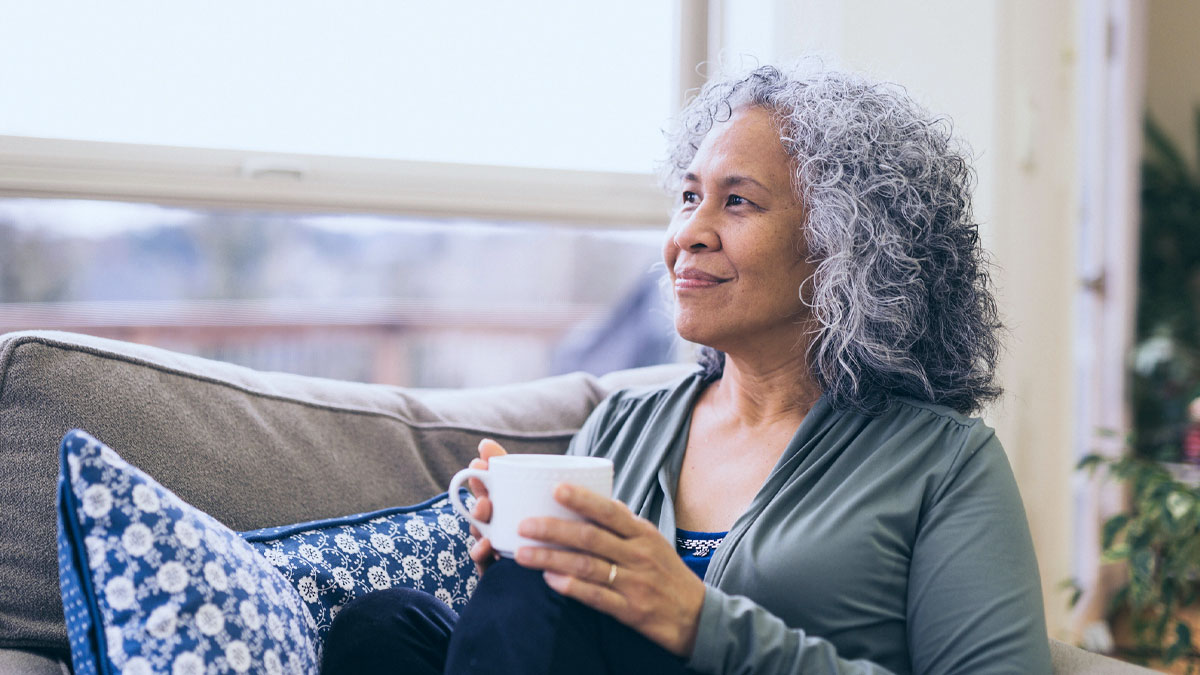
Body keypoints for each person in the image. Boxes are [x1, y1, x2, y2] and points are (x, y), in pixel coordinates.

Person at [321, 64, 1052, 674]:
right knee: (387, 628)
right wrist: (516, 586)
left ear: (847, 246)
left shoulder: (944, 464)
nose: (688, 236)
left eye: (737, 202)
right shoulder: (622, 425)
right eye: (689, 197)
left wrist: (703, 621)